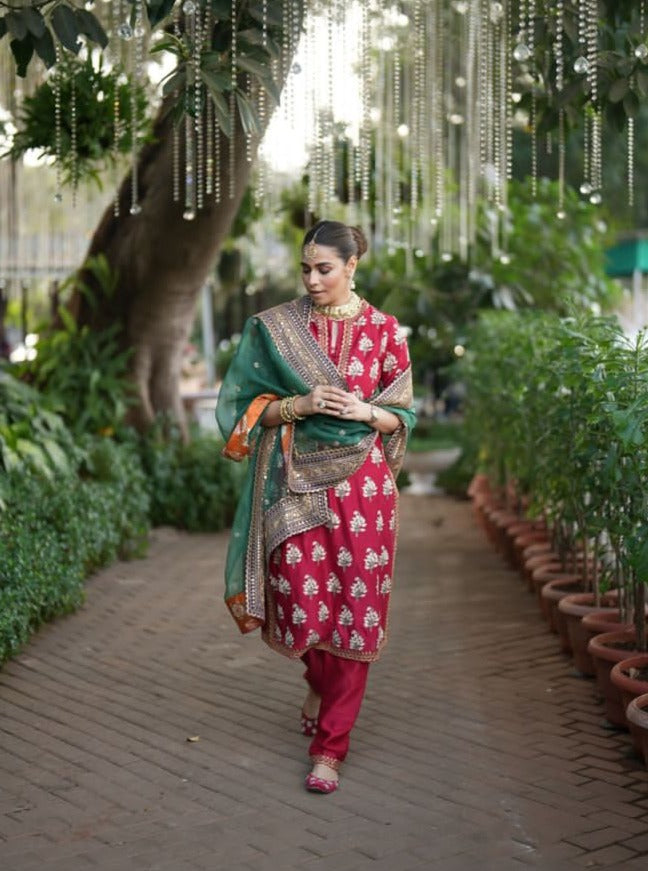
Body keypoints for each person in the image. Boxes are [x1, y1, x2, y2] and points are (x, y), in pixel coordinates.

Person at [216, 219, 416, 794]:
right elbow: (242, 410)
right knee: (299, 602)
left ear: (353, 267)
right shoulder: (276, 329)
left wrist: (365, 413)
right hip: (294, 485)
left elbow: (402, 414)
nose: (311, 279)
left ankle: (330, 749)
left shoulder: (384, 331)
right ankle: (319, 680)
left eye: (324, 269)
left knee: (354, 614)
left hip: (364, 490)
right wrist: (299, 403)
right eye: (305, 268)